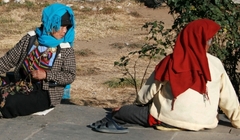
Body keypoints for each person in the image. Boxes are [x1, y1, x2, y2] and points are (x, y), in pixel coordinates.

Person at [89, 18, 240, 133]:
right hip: (205, 122)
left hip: (168, 119)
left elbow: (146, 94)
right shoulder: (216, 63)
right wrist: (237, 121)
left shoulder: (172, 60)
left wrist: (133, 106)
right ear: (206, 42)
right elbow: (229, 99)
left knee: (122, 112)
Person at [0, 3, 76, 119]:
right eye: (61, 26)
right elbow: (9, 60)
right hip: (21, 81)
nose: (65, 30)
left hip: (44, 91)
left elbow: (70, 76)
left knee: (14, 100)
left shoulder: (65, 48)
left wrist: (46, 75)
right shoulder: (31, 39)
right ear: (51, 23)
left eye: (67, 27)